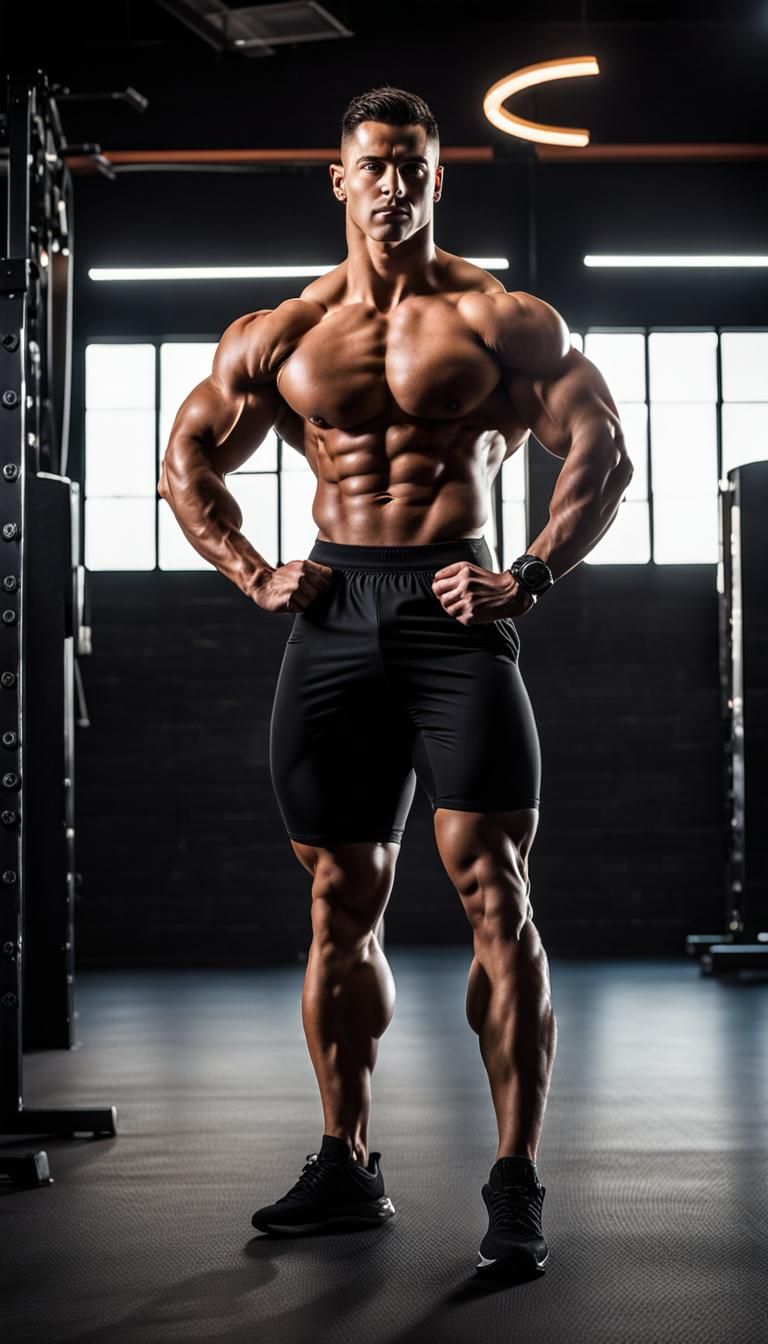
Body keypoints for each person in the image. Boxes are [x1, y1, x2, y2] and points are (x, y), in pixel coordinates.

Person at [158, 85, 632, 1278]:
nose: (394, 185)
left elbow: (604, 449)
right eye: (373, 164)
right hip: (331, 618)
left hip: (451, 612)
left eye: (413, 166)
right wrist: (255, 573)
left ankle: (515, 1178)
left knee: (495, 891)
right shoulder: (284, 331)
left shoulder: (501, 319)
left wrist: (526, 572)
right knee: (337, 898)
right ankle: (344, 1163)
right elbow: (185, 457)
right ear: (340, 177)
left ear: (436, 177)